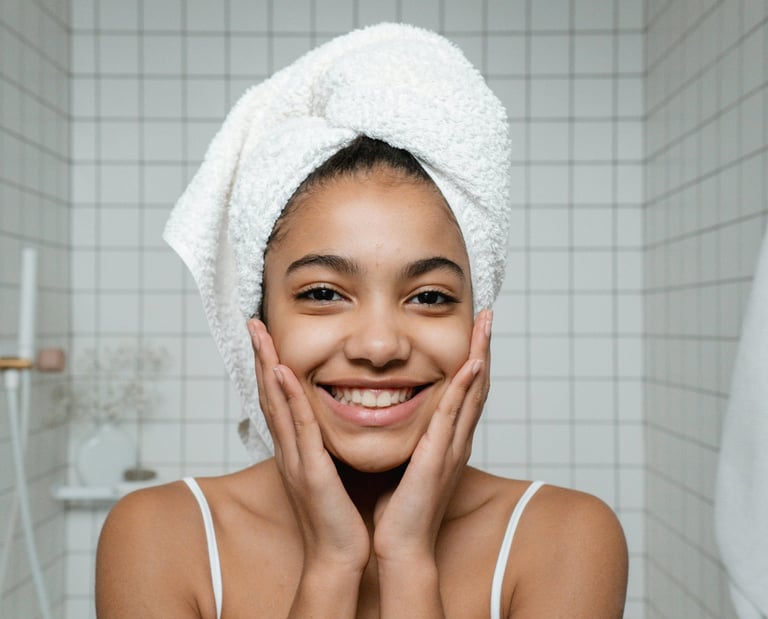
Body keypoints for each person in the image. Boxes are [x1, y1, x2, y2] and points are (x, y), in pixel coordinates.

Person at [95, 24, 627, 619]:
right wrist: (331, 563)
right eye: (324, 292)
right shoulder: (160, 537)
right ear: (259, 321)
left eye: (428, 297)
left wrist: (406, 560)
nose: (379, 345)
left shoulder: (565, 538)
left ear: (479, 321)